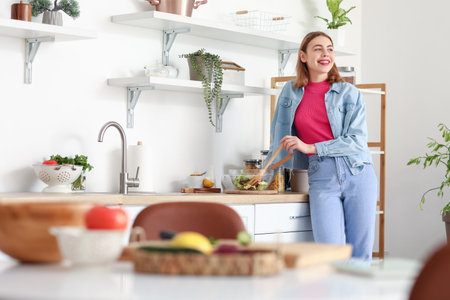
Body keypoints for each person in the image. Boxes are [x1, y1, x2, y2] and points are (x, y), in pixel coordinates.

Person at [267, 31, 378, 260]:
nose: (325, 53)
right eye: (318, 48)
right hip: (320, 174)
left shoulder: (350, 94)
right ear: (303, 56)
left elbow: (357, 141)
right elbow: (279, 139)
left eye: (329, 48)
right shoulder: (290, 91)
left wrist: (312, 147)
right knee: (328, 255)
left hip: (357, 171)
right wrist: (267, 179)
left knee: (359, 255)